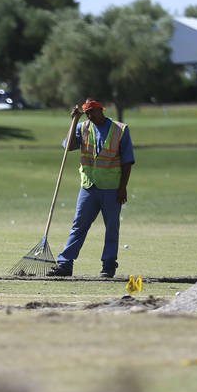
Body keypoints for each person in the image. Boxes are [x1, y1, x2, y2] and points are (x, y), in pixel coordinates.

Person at [47, 99, 135, 278]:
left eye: (92, 111)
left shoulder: (120, 130)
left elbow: (127, 161)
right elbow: (69, 146)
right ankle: (65, 264)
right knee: (78, 225)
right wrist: (73, 122)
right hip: (88, 186)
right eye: (87, 112)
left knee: (111, 227)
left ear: (101, 110)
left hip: (112, 187)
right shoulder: (82, 127)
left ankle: (109, 266)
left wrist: (123, 188)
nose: (89, 115)